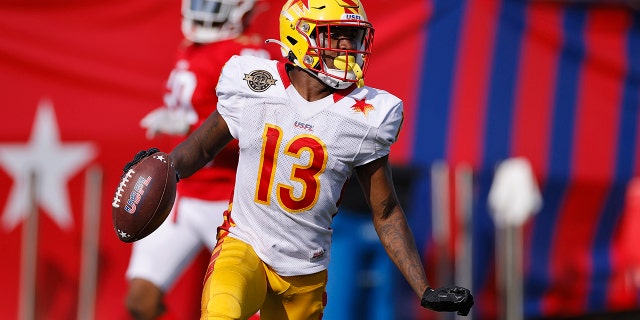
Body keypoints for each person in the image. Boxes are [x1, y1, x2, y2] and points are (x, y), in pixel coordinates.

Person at [122, 0, 474, 318]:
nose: (347, 47)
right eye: (336, 35)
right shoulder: (253, 83)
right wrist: (162, 166)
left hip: (306, 269)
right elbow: (201, 148)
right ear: (299, 37)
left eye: (352, 37)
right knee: (221, 311)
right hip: (243, 243)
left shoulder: (368, 115)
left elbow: (386, 211)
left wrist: (423, 288)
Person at [124, 1, 275, 319]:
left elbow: (262, 130)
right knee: (141, 301)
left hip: (230, 201)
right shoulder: (192, 47)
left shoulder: (247, 56)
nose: (205, 7)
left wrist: (193, 131)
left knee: (248, 309)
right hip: (183, 195)